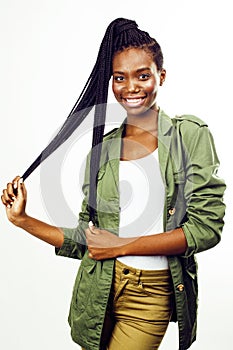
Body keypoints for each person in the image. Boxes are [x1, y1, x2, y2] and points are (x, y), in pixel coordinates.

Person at [1, 18, 226, 350]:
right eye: (119, 77)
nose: (130, 87)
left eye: (142, 75)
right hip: (99, 290)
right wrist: (22, 220)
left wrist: (122, 245)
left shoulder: (189, 135)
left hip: (152, 294)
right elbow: (88, 240)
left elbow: (206, 229)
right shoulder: (101, 149)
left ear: (161, 76)